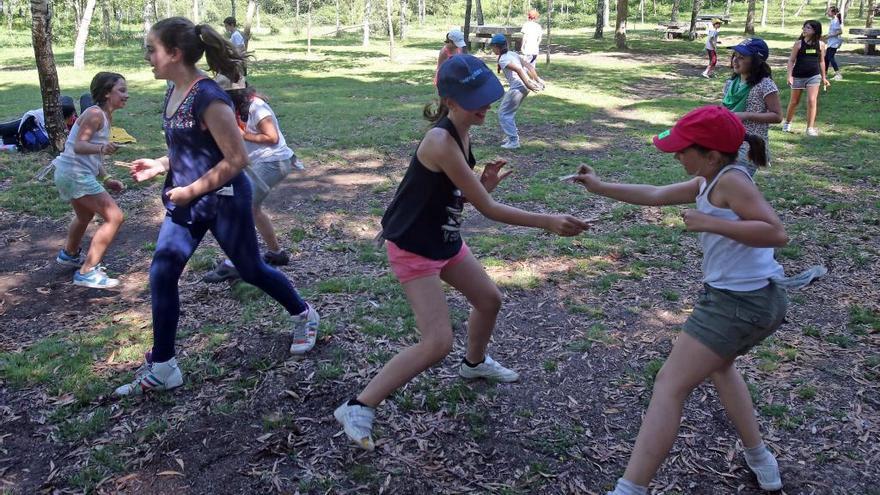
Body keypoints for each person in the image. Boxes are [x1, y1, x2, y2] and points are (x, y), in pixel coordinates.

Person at [333, 54, 589, 451]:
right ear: (450, 101)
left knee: (489, 300)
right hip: (415, 247)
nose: (485, 105)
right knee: (436, 343)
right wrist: (547, 221)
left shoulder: (463, 129)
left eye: (486, 96)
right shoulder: (439, 140)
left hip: (444, 238)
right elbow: (487, 210)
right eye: (476, 99)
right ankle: (357, 405)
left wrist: (482, 184)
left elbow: (462, 197)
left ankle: (474, 365)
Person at [567, 106, 788, 495]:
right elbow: (654, 195)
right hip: (748, 299)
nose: (676, 155)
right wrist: (599, 186)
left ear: (712, 155)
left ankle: (630, 488)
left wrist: (711, 222)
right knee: (721, 368)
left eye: (684, 149)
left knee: (669, 384)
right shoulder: (709, 179)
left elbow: (775, 233)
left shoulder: (732, 183)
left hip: (741, 304)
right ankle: (758, 455)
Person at [116, 17, 319, 396]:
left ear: (174, 54)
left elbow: (236, 159)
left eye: (152, 49)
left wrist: (191, 189)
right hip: (189, 198)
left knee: (251, 268)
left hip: (223, 199)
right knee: (162, 272)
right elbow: (191, 149)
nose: (147, 57)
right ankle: (164, 366)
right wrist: (160, 164)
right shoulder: (175, 90)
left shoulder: (209, 96)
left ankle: (304, 314)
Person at [203, 79, 298, 283]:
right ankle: (276, 253)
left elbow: (272, 137)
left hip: (274, 161)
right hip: (257, 162)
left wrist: (244, 135)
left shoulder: (256, 106)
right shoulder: (230, 108)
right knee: (251, 208)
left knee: (243, 207)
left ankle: (233, 263)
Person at [52, 72, 127, 289]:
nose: (126, 95)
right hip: (74, 174)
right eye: (121, 90)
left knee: (84, 215)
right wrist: (103, 147)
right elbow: (79, 146)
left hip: (68, 173)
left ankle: (70, 254)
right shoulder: (95, 114)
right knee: (115, 217)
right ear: (106, 93)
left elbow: (91, 153)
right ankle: (87, 272)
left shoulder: (103, 115)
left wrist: (106, 177)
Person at [721, 38, 781, 176]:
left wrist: (746, 115)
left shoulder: (765, 84)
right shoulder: (731, 83)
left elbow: (777, 116)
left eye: (741, 57)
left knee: (733, 183)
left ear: (756, 61)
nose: (735, 60)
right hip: (728, 140)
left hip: (749, 145)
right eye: (735, 56)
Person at [489, 34, 543, 150]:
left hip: (518, 87)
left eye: (492, 47)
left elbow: (519, 69)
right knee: (508, 112)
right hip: (523, 86)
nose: (492, 50)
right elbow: (529, 66)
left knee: (504, 113)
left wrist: (529, 83)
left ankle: (513, 141)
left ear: (497, 47)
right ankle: (511, 136)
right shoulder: (512, 54)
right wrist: (537, 80)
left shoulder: (503, 59)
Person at [782, 20, 830, 137]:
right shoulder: (798, 44)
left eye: (808, 28)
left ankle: (810, 128)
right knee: (794, 101)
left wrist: (824, 77)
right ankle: (787, 123)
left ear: (815, 31)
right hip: (798, 76)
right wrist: (789, 76)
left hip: (814, 76)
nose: (804, 29)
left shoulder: (821, 45)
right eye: (804, 27)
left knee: (812, 101)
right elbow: (791, 60)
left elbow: (822, 61)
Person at [824, 6, 844, 81]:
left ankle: (838, 74)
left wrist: (829, 36)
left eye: (829, 11)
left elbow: (840, 31)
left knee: (830, 58)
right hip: (831, 42)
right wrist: (826, 36)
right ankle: (824, 74)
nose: (827, 12)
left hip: (834, 43)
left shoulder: (835, 20)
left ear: (833, 12)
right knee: (826, 58)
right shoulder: (833, 20)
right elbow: (833, 31)